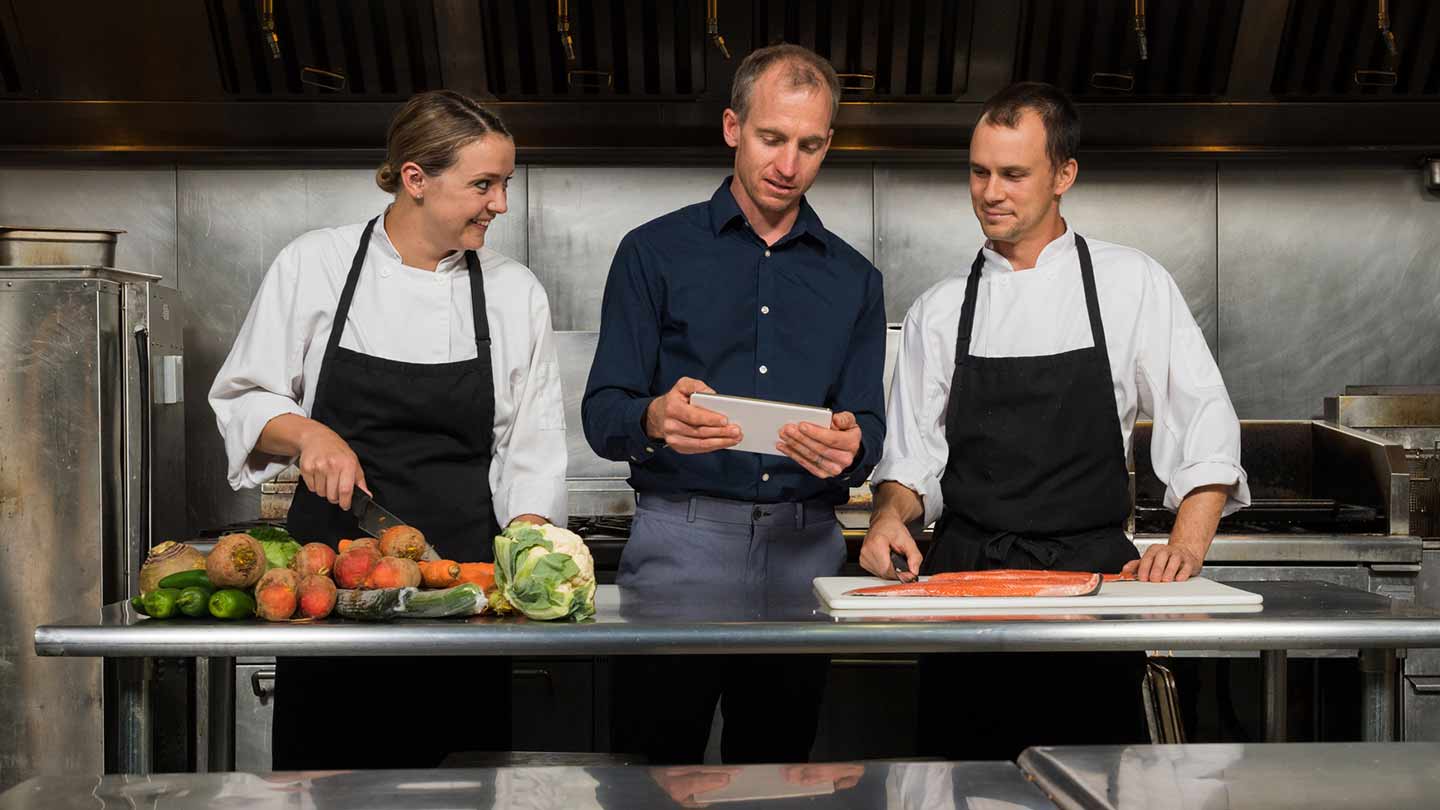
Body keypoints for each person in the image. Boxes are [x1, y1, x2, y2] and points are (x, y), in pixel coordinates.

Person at [862, 82, 1250, 761]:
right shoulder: (940, 309)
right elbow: (909, 464)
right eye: (979, 172)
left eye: (1013, 174)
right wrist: (891, 515)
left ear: (1064, 174)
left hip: (1093, 593)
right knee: (959, 786)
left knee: (1093, 779)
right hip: (968, 593)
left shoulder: (1132, 283)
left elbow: (1205, 423)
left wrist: (1185, 546)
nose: (990, 191)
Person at [209, 90, 566, 768]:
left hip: (461, 592)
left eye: (505, 183)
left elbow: (532, 448)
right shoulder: (316, 263)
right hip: (332, 591)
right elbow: (245, 394)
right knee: (330, 781)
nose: (501, 203)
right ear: (415, 180)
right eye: (483, 184)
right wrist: (310, 436)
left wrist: (521, 567)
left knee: (462, 784)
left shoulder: (515, 291)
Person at [582, 43, 886, 764]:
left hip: (805, 550)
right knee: (652, 774)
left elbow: (869, 424)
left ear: (828, 145)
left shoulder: (856, 279)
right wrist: (654, 417)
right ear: (732, 128)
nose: (789, 165)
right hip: (680, 546)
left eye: (810, 146)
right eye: (772, 139)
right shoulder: (651, 253)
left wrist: (853, 445)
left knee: (780, 773)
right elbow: (603, 412)